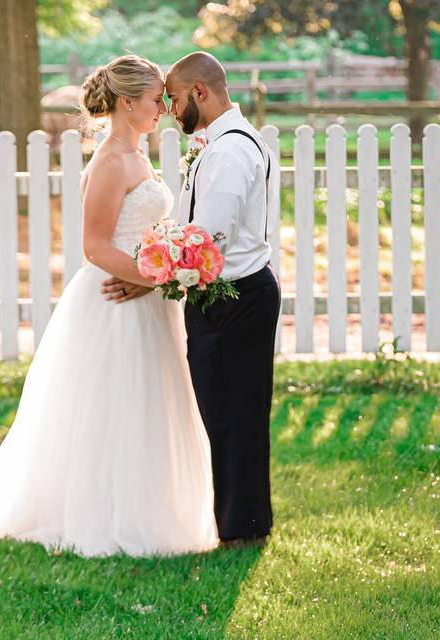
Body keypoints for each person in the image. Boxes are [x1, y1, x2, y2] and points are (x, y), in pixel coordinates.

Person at [0, 54, 218, 558]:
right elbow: (95, 246)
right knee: (117, 407)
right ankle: (108, 515)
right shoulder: (111, 160)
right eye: (157, 100)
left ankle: (152, 508)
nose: (163, 108)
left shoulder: (137, 153)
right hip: (115, 301)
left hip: (145, 296)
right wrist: (162, 278)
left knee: (150, 404)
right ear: (127, 101)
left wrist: (162, 277)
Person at [105, 51, 280, 545]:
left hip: (235, 299)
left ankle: (243, 530)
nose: (170, 109)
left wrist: (147, 278)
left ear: (199, 94)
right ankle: (242, 524)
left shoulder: (228, 152)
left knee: (232, 417)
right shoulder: (223, 144)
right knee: (229, 415)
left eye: (176, 99)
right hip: (232, 295)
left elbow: (206, 239)